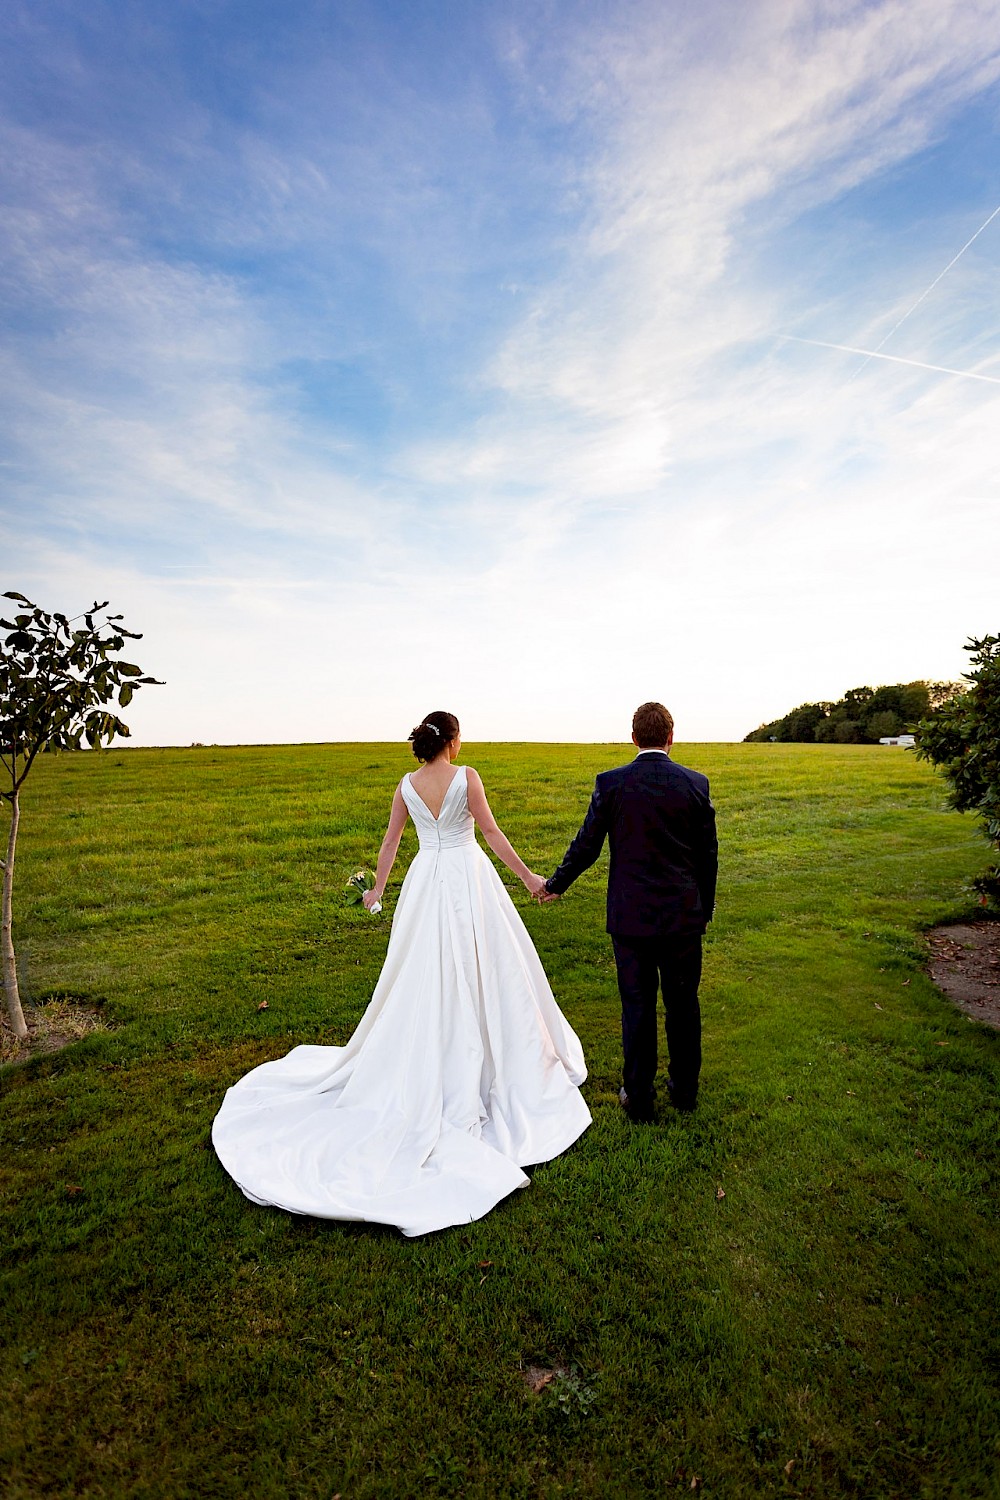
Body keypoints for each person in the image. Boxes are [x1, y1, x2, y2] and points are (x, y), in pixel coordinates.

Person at [212, 711, 591, 1237]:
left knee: (421, 970)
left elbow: (391, 842)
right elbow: (489, 830)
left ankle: (433, 1048)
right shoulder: (467, 777)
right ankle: (486, 1060)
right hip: (466, 878)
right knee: (485, 966)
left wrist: (377, 891)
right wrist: (529, 879)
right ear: (452, 742)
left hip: (426, 881)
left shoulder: (408, 785)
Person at [539, 702, 717, 1122]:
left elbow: (587, 845)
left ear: (634, 737)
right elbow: (708, 855)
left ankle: (639, 1098)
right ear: (671, 738)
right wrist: (703, 908)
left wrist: (555, 884)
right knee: (682, 1004)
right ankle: (685, 1091)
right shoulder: (696, 783)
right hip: (683, 917)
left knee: (636, 1006)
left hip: (631, 918)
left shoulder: (613, 783)